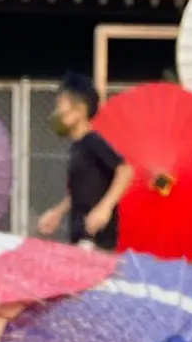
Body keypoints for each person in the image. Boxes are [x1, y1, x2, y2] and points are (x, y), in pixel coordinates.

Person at [36, 73, 134, 251]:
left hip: (97, 240)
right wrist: (58, 213)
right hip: (81, 237)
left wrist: (105, 208)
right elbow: (80, 191)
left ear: (80, 109)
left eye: (60, 105)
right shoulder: (78, 147)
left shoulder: (93, 142)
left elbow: (125, 170)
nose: (57, 112)